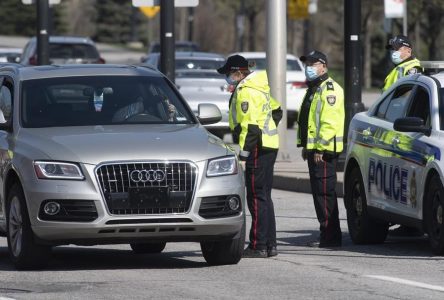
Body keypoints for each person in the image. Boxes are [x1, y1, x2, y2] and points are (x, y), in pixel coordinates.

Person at [217, 55, 281, 258]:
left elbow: (251, 128)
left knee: (255, 198)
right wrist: (268, 129)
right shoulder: (260, 86)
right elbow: (277, 111)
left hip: (255, 149)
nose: (227, 78)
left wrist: (243, 156)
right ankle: (270, 244)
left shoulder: (246, 92)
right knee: (264, 197)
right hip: (268, 146)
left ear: (238, 72)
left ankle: (258, 245)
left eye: (229, 74)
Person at [297, 50, 344, 248]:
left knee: (325, 194)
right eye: (307, 63)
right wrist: (306, 146)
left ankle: (330, 237)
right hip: (314, 150)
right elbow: (308, 121)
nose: (309, 67)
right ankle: (327, 233)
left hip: (323, 153)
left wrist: (320, 148)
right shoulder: (315, 88)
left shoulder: (329, 89)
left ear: (323, 66)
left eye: (313, 63)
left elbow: (329, 122)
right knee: (320, 194)